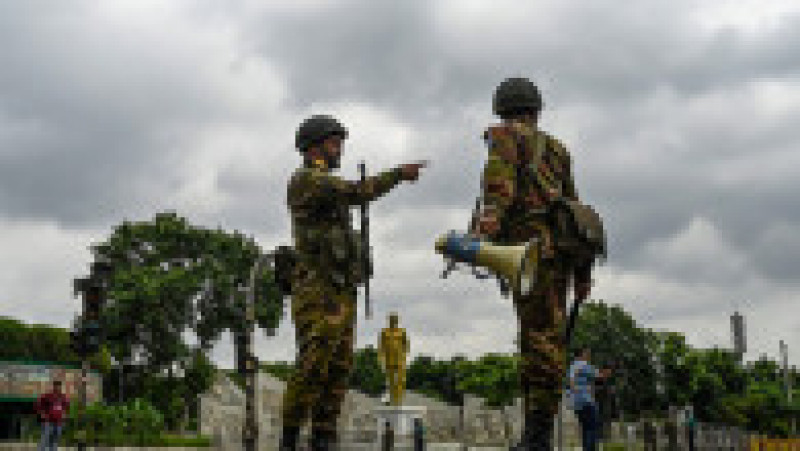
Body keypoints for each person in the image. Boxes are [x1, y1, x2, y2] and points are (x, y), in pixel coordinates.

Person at [279, 114, 426, 450]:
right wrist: (398, 175)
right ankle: (288, 440)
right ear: (314, 147)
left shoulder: (325, 184)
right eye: (334, 142)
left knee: (338, 369)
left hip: (341, 291)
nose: (339, 149)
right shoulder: (307, 179)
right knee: (313, 365)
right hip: (317, 291)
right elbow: (358, 191)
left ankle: (324, 436)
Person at [473, 77, 601, 450]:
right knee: (546, 340)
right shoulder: (558, 149)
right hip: (559, 257)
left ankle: (537, 438)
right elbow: (575, 210)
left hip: (528, 257)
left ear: (502, 108)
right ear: (536, 108)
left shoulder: (504, 138)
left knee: (538, 344)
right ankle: (537, 433)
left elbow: (498, 186)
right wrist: (583, 272)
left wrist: (488, 224)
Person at [568, 347, 611, 451]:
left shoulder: (572, 366)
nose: (589, 355)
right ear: (581, 354)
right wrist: (608, 370)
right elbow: (600, 376)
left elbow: (572, 382)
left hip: (576, 402)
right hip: (586, 400)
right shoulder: (584, 365)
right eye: (587, 353)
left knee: (585, 428)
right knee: (591, 428)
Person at [378, 312, 410, 406]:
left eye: (395, 320)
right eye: (391, 320)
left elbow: (406, 345)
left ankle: (399, 399)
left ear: (397, 321)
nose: (393, 321)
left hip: (400, 359)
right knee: (390, 380)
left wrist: (404, 355)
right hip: (389, 359)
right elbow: (381, 346)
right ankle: (392, 399)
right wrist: (381, 358)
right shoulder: (384, 332)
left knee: (400, 379)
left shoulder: (402, 331)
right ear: (389, 321)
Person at [34, 380, 70, 451]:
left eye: (59, 386)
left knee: (55, 440)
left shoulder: (63, 397)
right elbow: (37, 404)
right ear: (53, 387)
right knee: (45, 439)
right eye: (56, 386)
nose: (58, 388)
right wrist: (42, 413)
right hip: (48, 422)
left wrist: (64, 414)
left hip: (59, 422)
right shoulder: (47, 396)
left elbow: (66, 407)